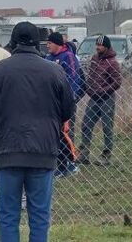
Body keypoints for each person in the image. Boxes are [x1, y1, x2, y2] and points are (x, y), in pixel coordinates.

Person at [0, 22, 75, 242]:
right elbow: (68, 109)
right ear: (38, 43)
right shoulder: (54, 71)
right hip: (43, 152)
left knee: (8, 216)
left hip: (7, 151)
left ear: (14, 43)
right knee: (39, 216)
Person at [44, 32, 82, 176]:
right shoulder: (48, 58)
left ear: (58, 44)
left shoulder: (68, 56)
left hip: (65, 102)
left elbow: (73, 78)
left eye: (50, 43)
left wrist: (69, 100)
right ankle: (58, 163)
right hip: (51, 103)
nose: (47, 45)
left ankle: (70, 163)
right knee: (54, 133)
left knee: (66, 132)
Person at [79, 35, 121, 166]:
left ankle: (106, 155)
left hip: (106, 98)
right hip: (94, 98)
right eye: (97, 45)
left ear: (106, 46)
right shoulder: (95, 59)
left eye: (100, 45)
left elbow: (117, 82)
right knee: (86, 124)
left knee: (107, 127)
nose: (97, 47)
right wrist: (89, 88)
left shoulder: (113, 62)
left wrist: (103, 90)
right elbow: (91, 76)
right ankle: (84, 153)